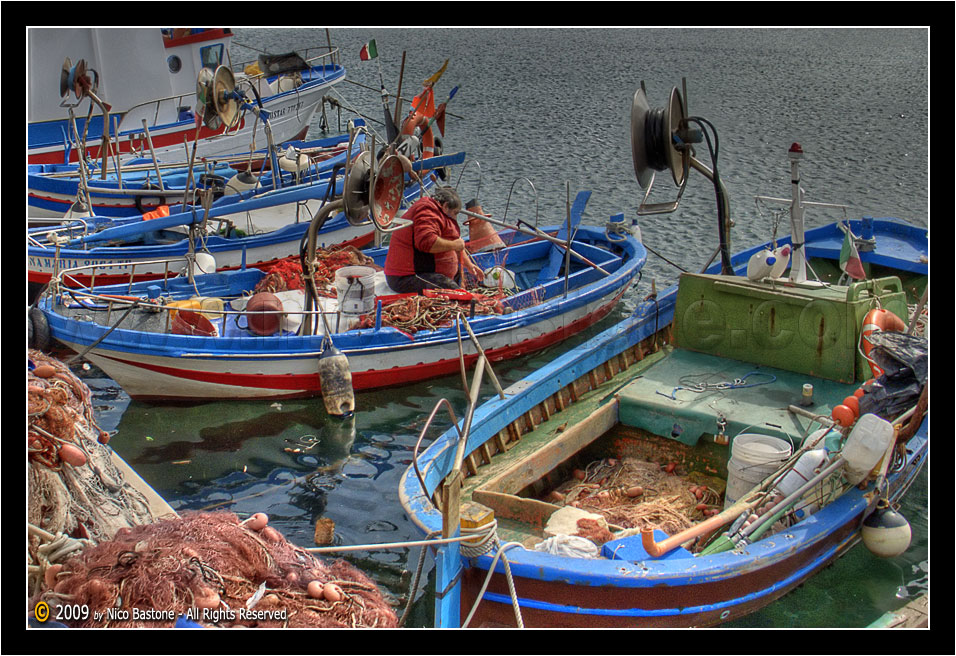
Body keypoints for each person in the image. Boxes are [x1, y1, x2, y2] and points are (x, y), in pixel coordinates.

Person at [384, 186, 484, 294]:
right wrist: (454, 245)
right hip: (406, 277)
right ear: (445, 206)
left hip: (429, 272)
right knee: (449, 288)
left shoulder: (440, 213)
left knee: (454, 283)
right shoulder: (426, 210)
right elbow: (427, 243)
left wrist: (469, 265)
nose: (455, 218)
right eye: (455, 213)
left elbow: (456, 242)